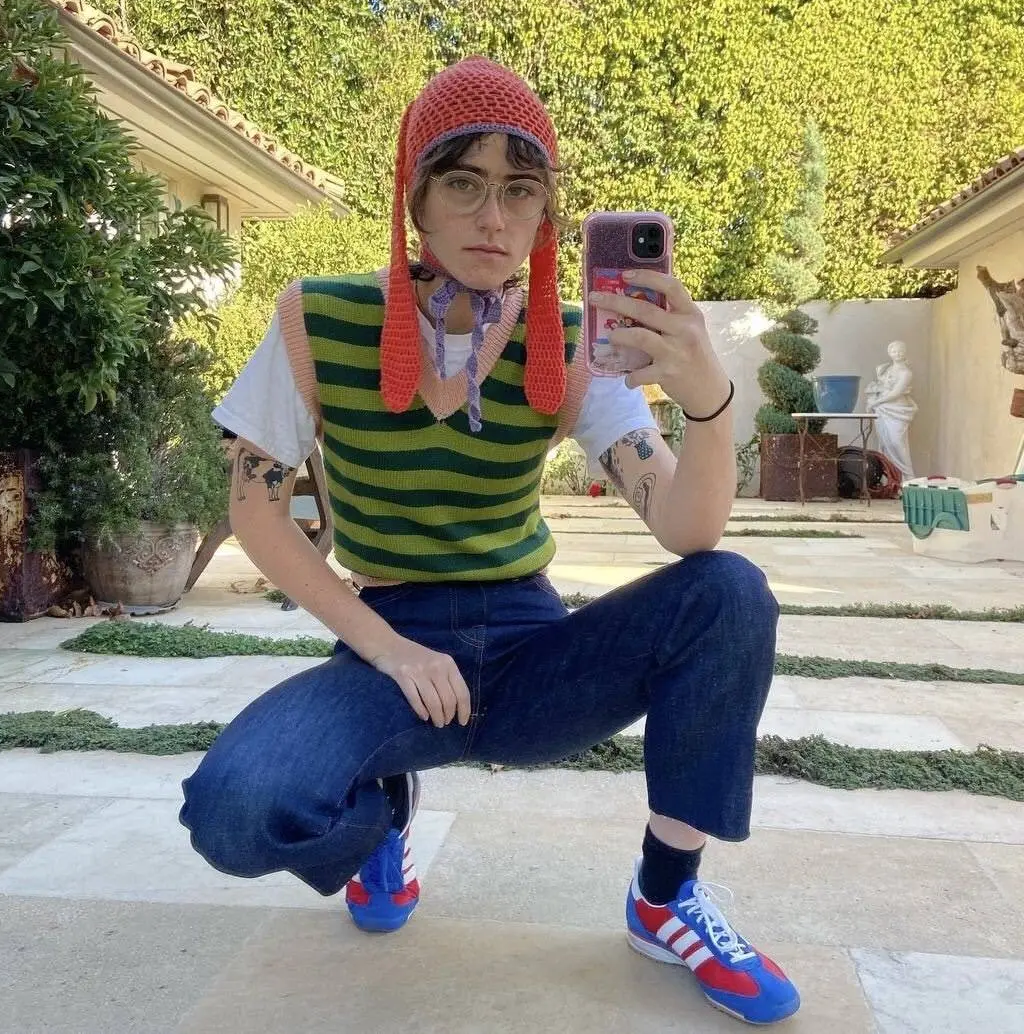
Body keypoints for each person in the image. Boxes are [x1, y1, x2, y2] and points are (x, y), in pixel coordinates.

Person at [178, 57, 800, 1026]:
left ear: (547, 213)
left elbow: (688, 528)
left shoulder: (573, 343)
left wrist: (708, 399)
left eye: (520, 190)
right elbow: (257, 511)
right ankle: (381, 814)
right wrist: (388, 649)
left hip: (529, 655)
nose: (493, 218)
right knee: (233, 809)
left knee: (728, 590)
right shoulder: (320, 318)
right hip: (389, 644)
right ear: (416, 197)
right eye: (463, 182)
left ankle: (664, 896)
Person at [864, 340, 917, 479]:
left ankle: (908, 477)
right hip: (882, 409)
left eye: (900, 351)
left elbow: (896, 393)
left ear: (905, 352)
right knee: (885, 444)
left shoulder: (906, 373)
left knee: (897, 442)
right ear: (889, 353)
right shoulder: (885, 369)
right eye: (894, 351)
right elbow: (880, 387)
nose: (897, 354)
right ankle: (890, 478)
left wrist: (875, 402)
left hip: (897, 410)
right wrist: (874, 400)